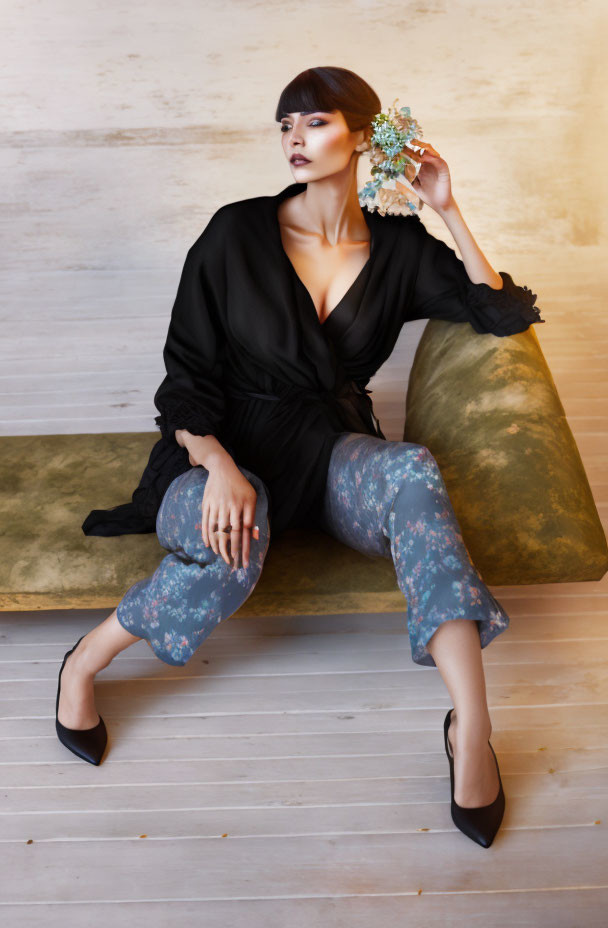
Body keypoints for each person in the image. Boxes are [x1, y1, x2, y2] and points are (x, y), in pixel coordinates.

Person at [58, 67, 545, 846]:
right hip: (218, 456)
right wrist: (215, 465)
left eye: (313, 123)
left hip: (326, 456)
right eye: (285, 125)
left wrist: (449, 209)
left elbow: (499, 313)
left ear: (362, 135)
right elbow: (184, 376)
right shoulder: (233, 233)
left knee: (412, 472)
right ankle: (85, 661)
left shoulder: (398, 249)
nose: (293, 138)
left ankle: (473, 728)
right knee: (233, 547)